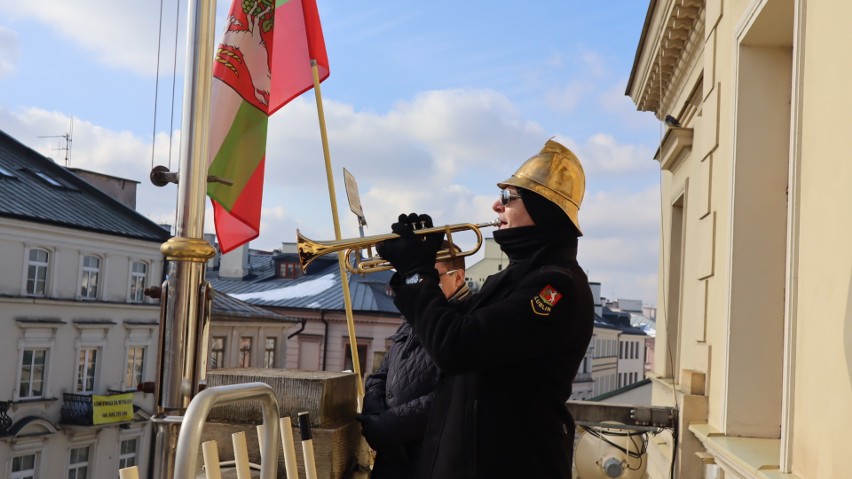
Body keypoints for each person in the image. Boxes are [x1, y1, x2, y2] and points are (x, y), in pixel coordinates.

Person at [375, 139, 594, 478]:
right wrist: (417, 264)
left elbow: (456, 346)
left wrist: (420, 273)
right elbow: (446, 329)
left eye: (509, 198)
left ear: (542, 208)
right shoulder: (517, 276)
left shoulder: (555, 288)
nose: (496, 205)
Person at [357, 242, 470, 478]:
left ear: (458, 278)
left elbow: (449, 396)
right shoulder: (412, 318)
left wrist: (387, 426)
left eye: (432, 277)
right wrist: (375, 418)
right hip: (391, 459)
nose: (423, 284)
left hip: (425, 462)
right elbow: (379, 376)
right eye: (420, 276)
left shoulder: (464, 324)